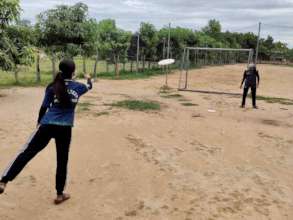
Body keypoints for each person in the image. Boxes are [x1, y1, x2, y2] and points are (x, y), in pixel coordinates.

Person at [0, 59, 93, 204]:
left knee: (27, 152)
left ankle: (4, 180)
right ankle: (60, 194)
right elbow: (89, 86)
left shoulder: (52, 87)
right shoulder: (79, 87)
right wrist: (88, 78)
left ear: (61, 71)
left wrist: (39, 122)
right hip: (65, 128)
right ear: (73, 72)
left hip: (47, 125)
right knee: (62, 160)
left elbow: (44, 107)